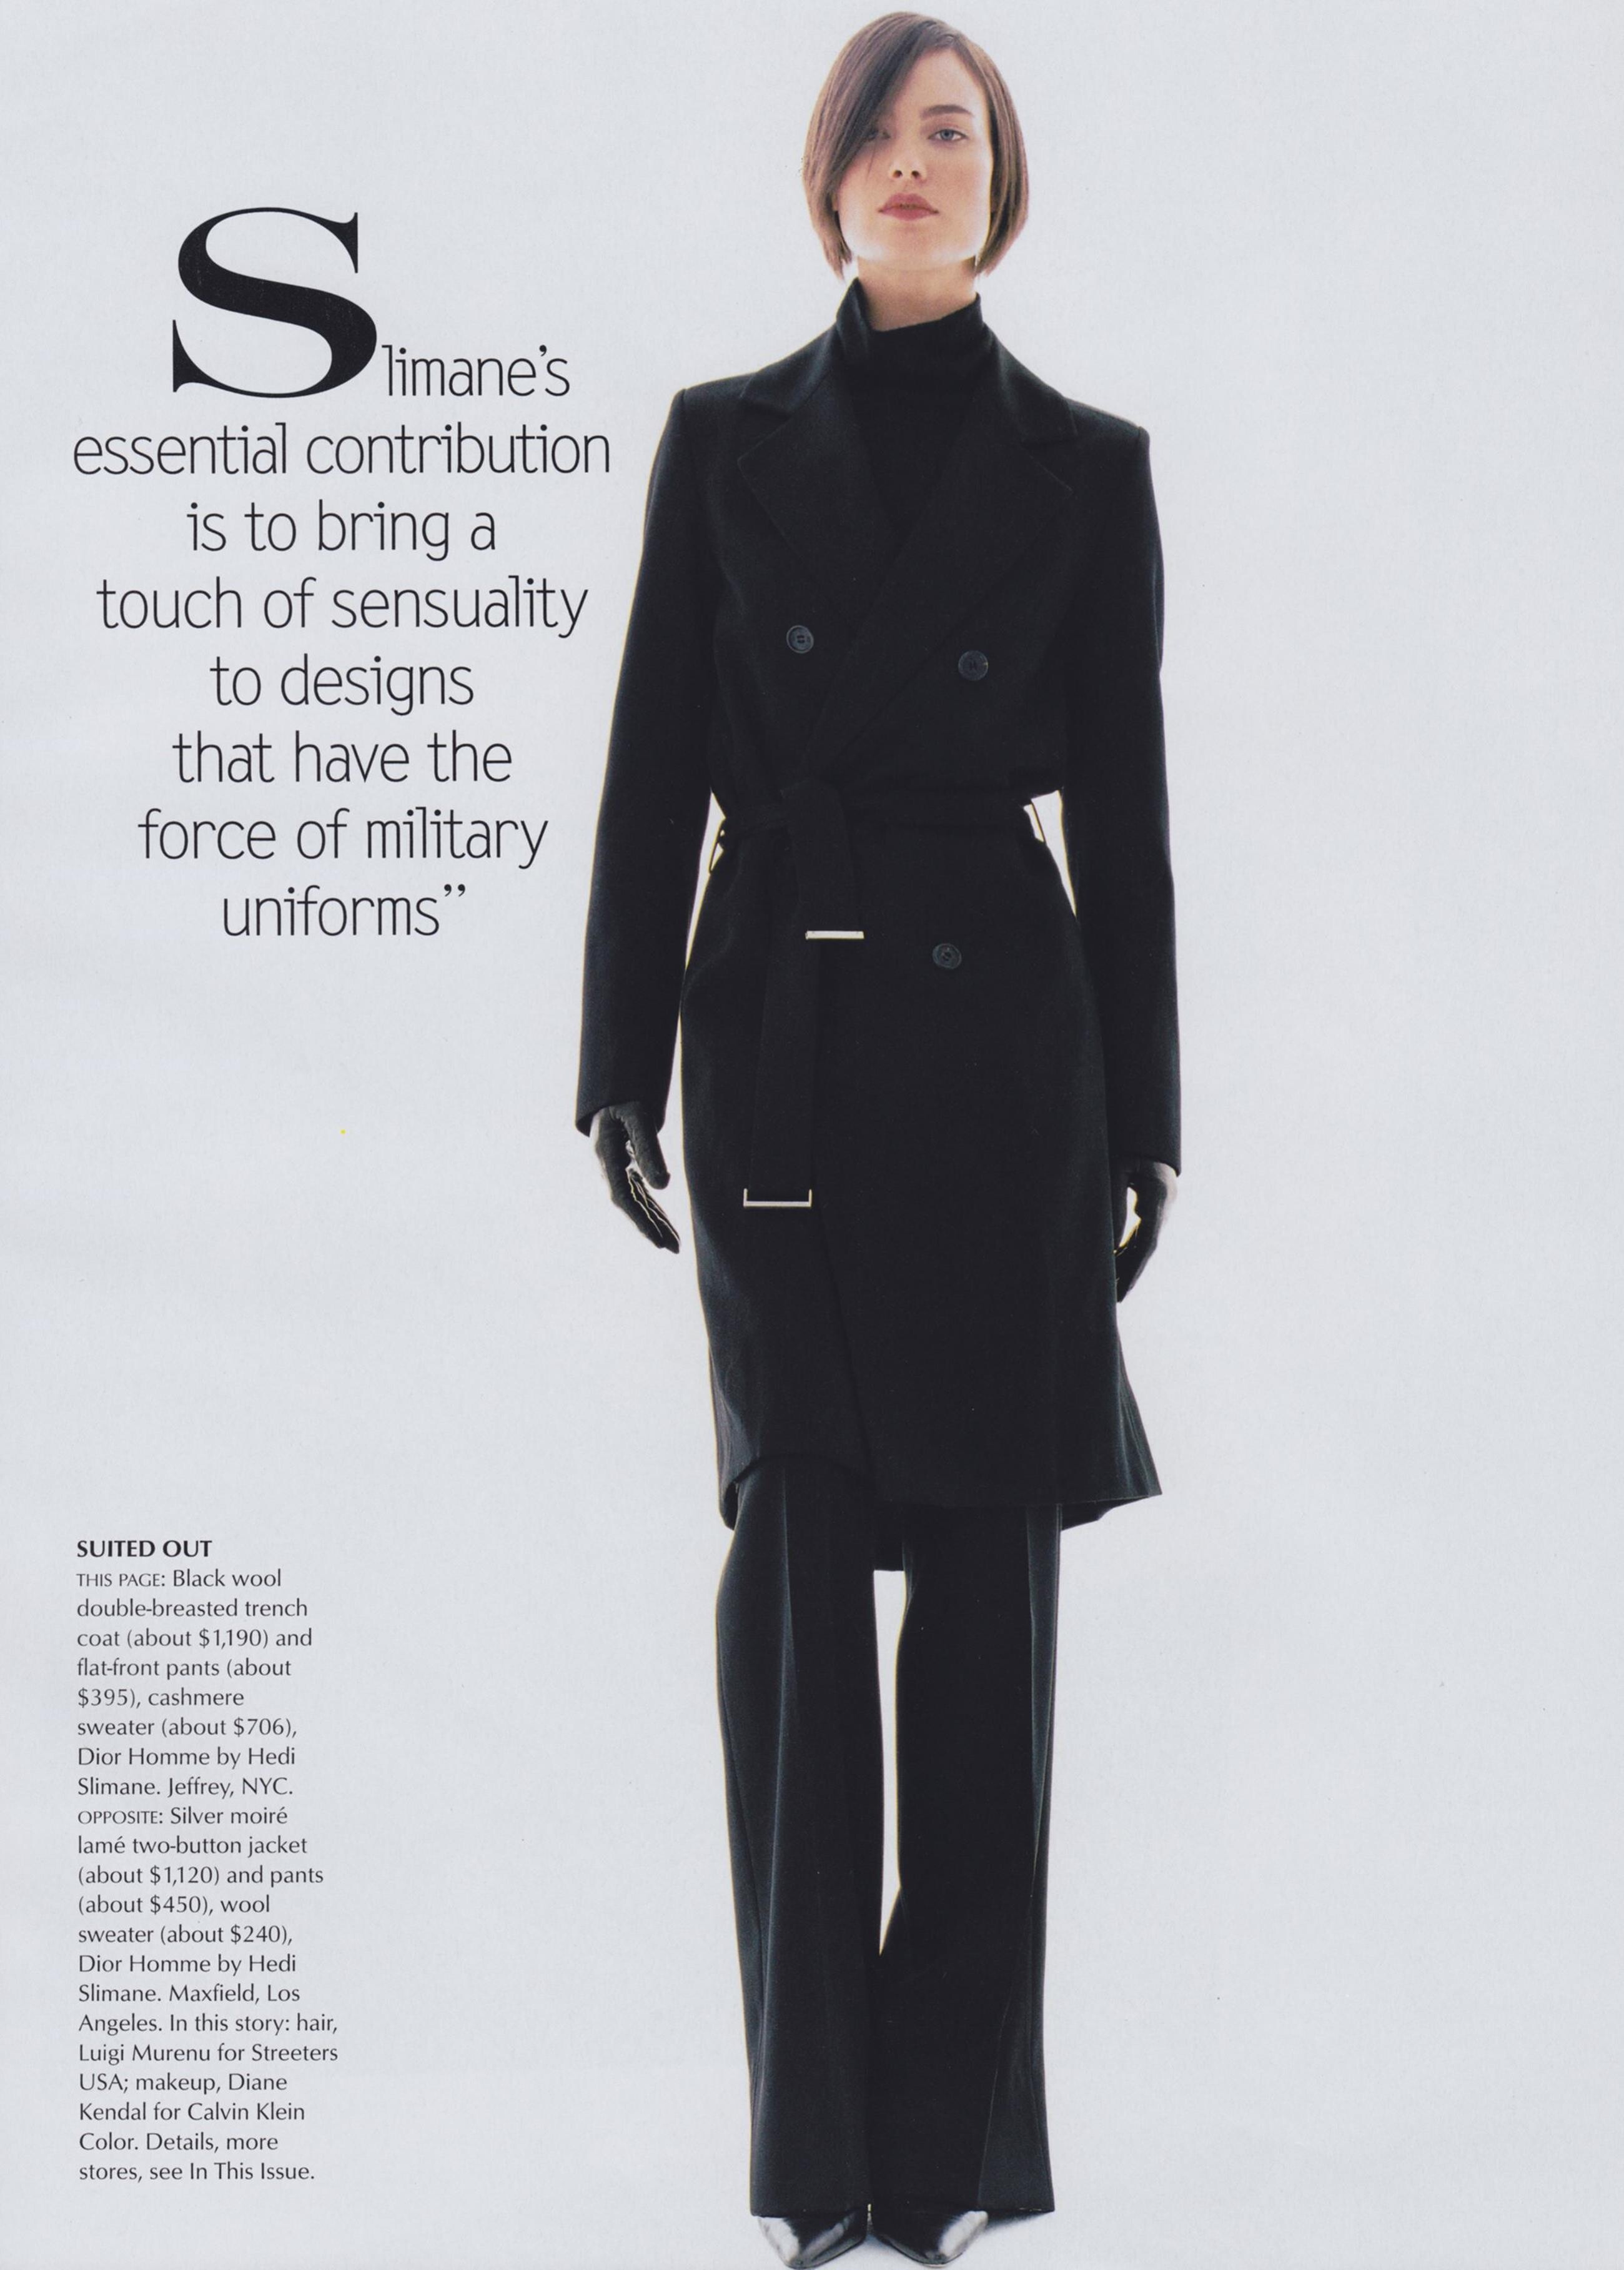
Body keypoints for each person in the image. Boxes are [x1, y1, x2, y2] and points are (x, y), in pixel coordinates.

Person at [575, 14, 1179, 2264]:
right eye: (883, 132)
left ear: (1000, 186)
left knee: (991, 1612)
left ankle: (942, 2169)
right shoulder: (720, 439)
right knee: (803, 1583)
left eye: (958, 134)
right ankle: (817, 2169)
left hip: (1005, 1060)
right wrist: (613, 1057)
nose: (918, 163)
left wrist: (1155, 1119)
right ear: (825, 175)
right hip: (784, 1050)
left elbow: (1127, 821)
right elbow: (654, 765)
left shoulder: (1091, 467)